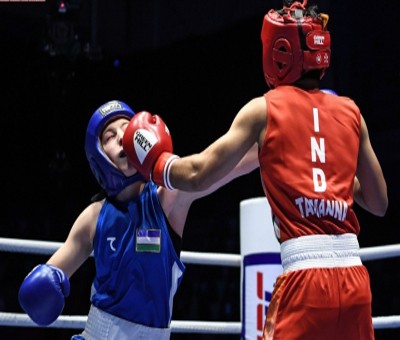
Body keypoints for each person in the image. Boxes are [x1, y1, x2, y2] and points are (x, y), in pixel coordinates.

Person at [121, 1, 388, 339]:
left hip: (304, 281)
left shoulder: (264, 109)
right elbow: (379, 203)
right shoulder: (352, 112)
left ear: (280, 51)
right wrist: (329, 171)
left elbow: (199, 172)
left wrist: (156, 164)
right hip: (355, 279)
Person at [18, 100, 259, 340]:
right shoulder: (93, 216)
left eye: (127, 127)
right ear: (98, 155)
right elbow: (50, 275)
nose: (123, 137)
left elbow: (232, 165)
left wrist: (276, 139)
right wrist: (43, 287)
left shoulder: (168, 198)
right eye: (110, 137)